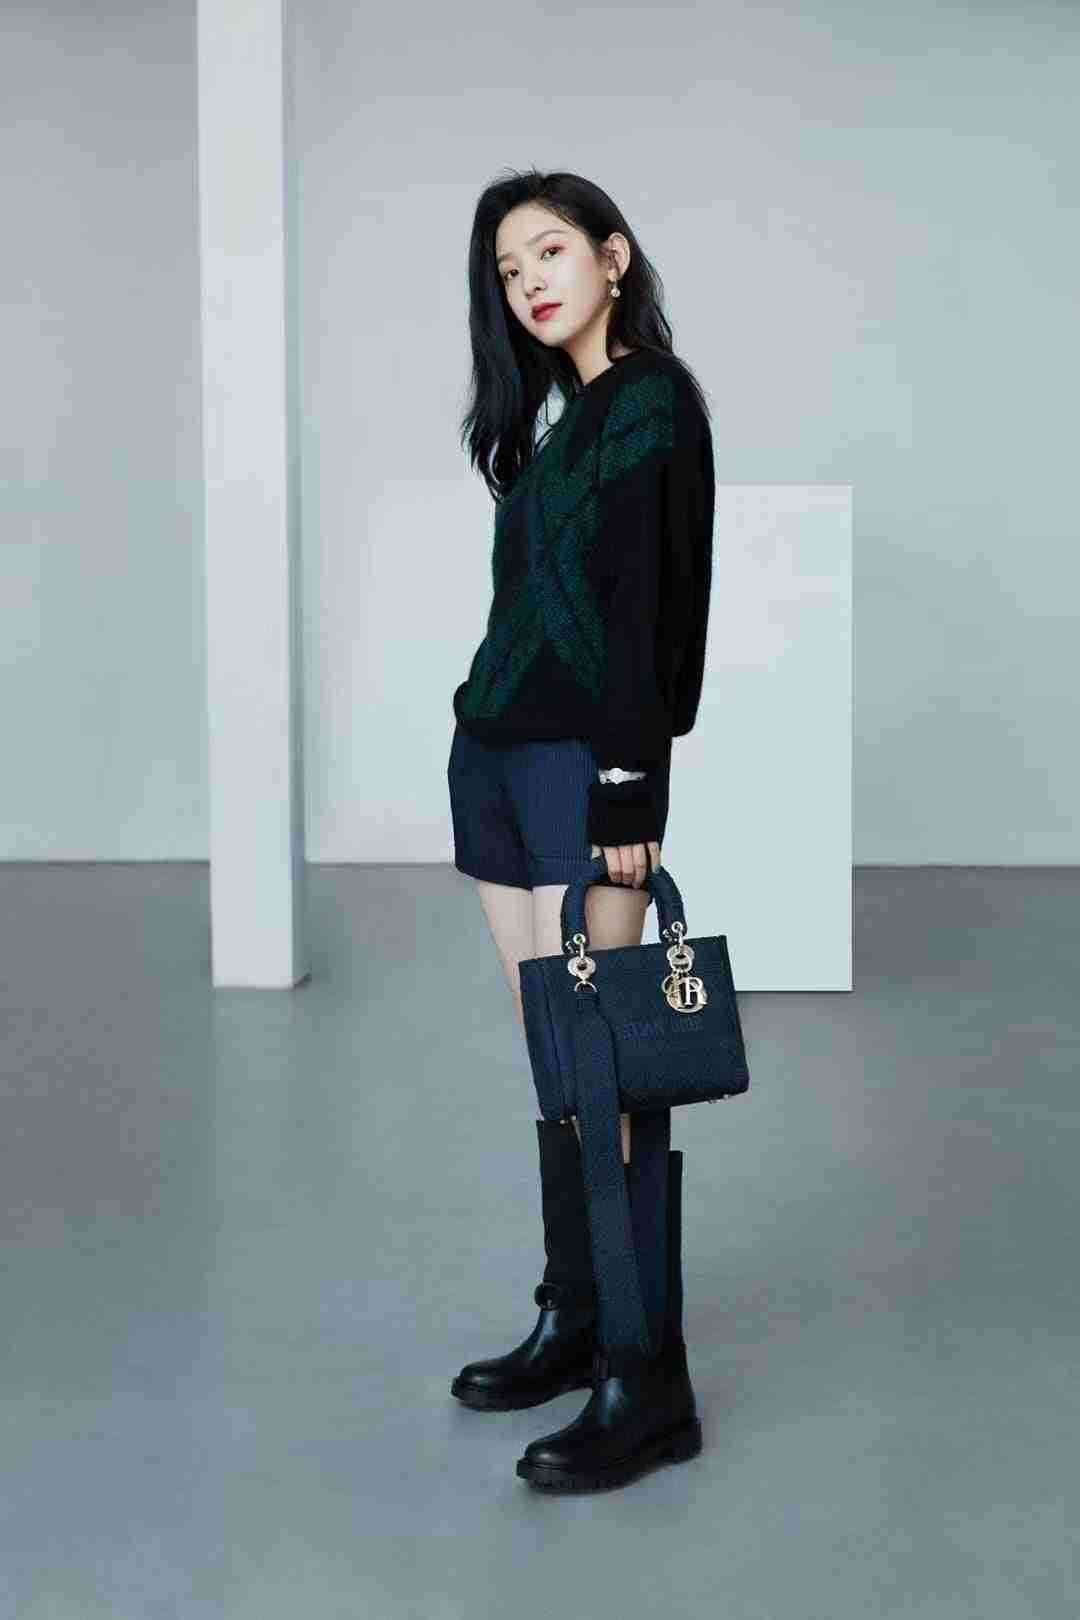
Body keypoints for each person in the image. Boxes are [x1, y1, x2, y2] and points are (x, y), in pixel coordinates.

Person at [445, 167, 715, 1491]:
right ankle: (577, 1316)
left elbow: (656, 604)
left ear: (613, 256)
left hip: (579, 769)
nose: (529, 282)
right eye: (507, 270)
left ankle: (647, 1382)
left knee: (603, 1061)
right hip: (493, 757)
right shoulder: (562, 423)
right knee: (556, 1058)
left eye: (549, 251)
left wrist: (628, 788)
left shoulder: (651, 400)